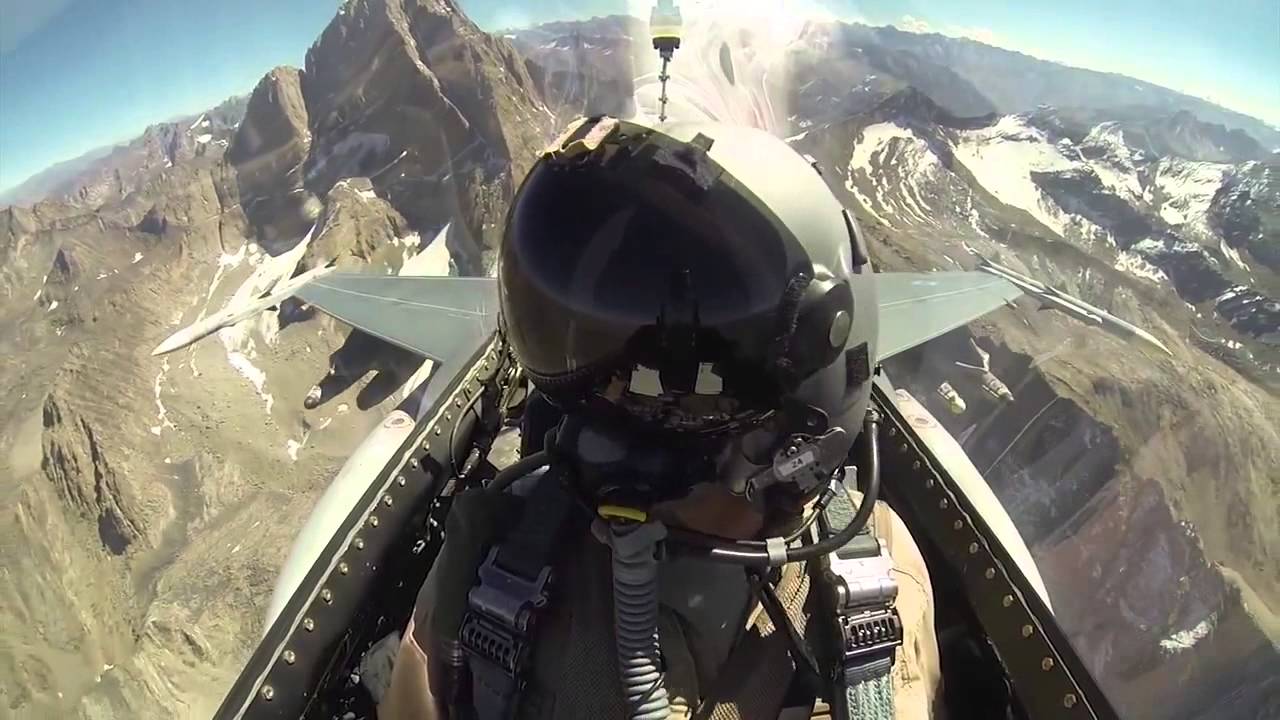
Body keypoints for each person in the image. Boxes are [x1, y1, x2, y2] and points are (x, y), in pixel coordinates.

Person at [380, 116, 943, 719]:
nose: (601, 409)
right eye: (598, 364)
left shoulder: (874, 583)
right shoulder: (488, 558)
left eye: (682, 379)